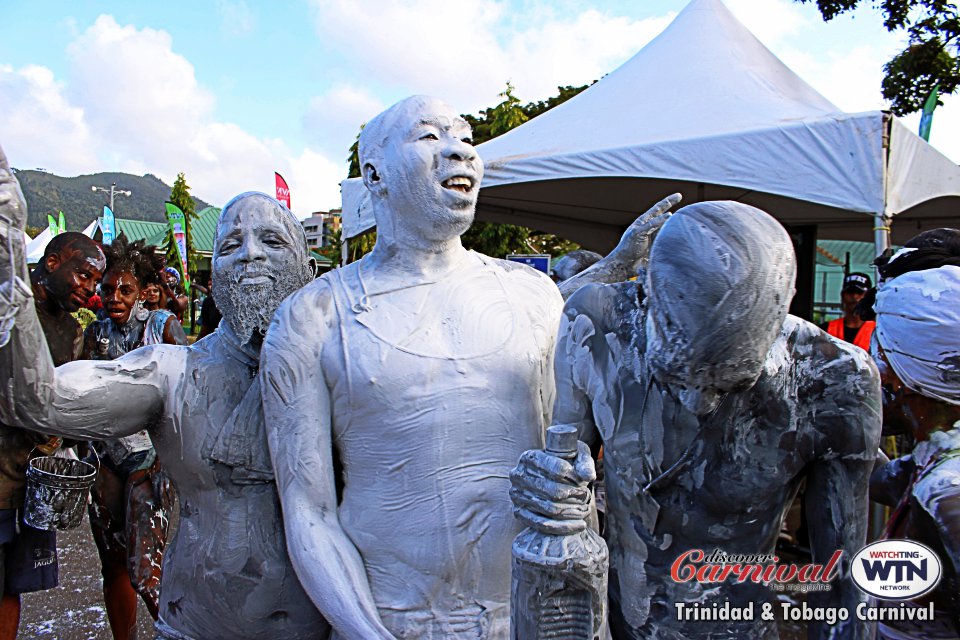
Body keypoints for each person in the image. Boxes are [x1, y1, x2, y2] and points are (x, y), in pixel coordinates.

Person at [260, 95, 677, 640]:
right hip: (392, 618)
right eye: (430, 137)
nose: (460, 151)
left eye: (465, 137)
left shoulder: (533, 296)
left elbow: (573, 459)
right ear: (375, 173)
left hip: (531, 617)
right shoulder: (313, 317)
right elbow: (308, 513)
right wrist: (369, 634)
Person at [512, 201, 882, 639]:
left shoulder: (834, 380)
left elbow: (843, 582)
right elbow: (566, 480)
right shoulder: (597, 324)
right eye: (676, 374)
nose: (698, 402)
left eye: (728, 383)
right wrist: (548, 490)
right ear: (647, 294)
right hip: (617, 619)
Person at [0, 174, 330, 636]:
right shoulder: (171, 372)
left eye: (271, 240)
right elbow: (41, 402)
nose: (251, 252)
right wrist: (10, 264)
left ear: (307, 269)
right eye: (232, 244)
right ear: (214, 278)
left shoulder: (348, 372)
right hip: (195, 620)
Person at [0, 221, 104, 638]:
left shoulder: (71, 330)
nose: (89, 289)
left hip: (30, 484)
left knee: (11, 586)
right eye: (83, 275)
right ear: (52, 261)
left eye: (95, 281)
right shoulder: (9, 305)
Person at [79, 234, 186, 640]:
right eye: (107, 289)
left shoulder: (162, 326)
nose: (115, 297)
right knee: (114, 564)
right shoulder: (96, 334)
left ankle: (174, 632)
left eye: (125, 289)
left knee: (146, 569)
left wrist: (174, 457)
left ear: (143, 291)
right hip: (107, 454)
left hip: (150, 456)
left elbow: (189, 388)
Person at [868, 228, 960, 638]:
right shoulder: (932, 461)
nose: (868, 368)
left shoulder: (948, 491)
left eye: (879, 350)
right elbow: (882, 479)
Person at [820, 272, 874, 349]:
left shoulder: (878, 332)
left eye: (859, 292)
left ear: (868, 297)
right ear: (842, 296)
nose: (854, 296)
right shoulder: (826, 329)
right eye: (850, 292)